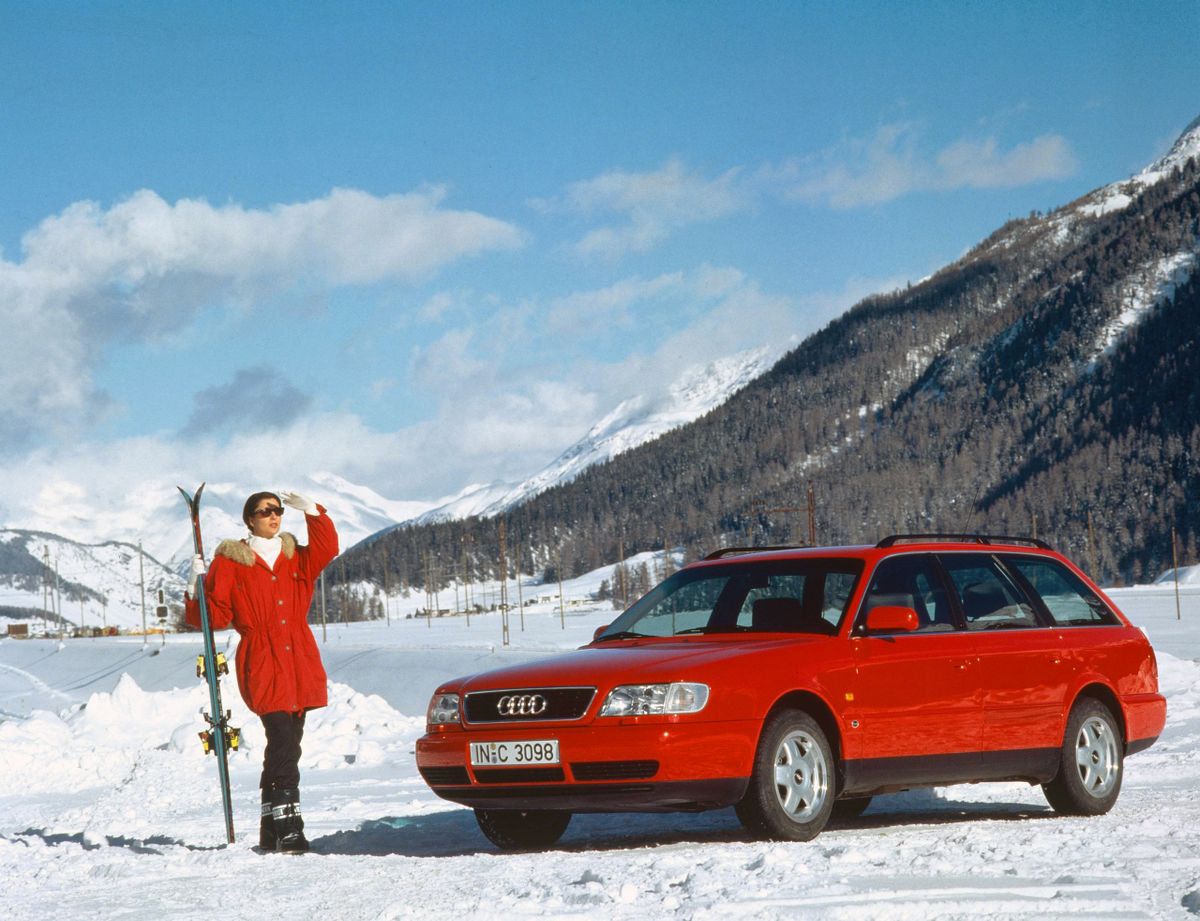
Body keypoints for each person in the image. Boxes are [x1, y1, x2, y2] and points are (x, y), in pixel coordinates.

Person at [185, 490, 338, 854]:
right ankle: (290, 830)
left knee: (287, 744)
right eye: (264, 511)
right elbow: (212, 618)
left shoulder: (296, 557)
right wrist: (195, 588)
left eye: (278, 510)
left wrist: (313, 512)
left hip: (299, 656)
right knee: (283, 738)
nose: (274, 515)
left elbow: (328, 548)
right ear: (249, 519)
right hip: (263, 658)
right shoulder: (230, 562)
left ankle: (269, 829)